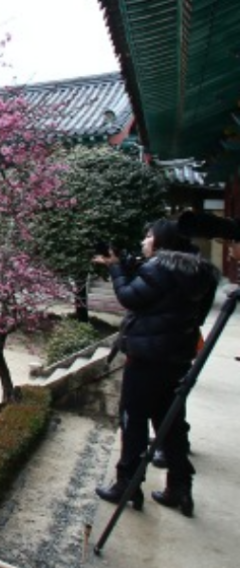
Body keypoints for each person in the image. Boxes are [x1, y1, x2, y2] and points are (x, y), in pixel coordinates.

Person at [93, 218, 218, 517]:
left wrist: (114, 267)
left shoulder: (159, 268)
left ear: (162, 241)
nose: (144, 242)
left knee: (133, 419)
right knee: (170, 424)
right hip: (176, 357)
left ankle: (127, 484)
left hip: (147, 357)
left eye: (148, 236)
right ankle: (180, 487)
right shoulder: (199, 272)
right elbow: (194, 313)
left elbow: (129, 298)